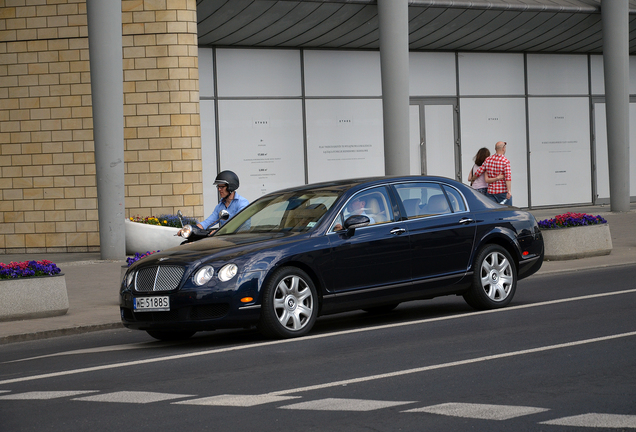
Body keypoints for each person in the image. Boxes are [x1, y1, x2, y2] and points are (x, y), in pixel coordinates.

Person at [178, 170, 249, 236]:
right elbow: (207, 222)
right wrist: (189, 229)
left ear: (230, 187)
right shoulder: (220, 206)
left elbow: (237, 224)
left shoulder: (242, 203)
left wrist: (219, 232)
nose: (219, 189)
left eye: (222, 187)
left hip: (241, 239)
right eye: (218, 187)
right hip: (226, 239)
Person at [471, 141, 512, 205]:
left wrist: (473, 179)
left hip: (491, 192)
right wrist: (509, 191)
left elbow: (478, 172)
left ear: (495, 149)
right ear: (503, 148)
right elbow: (508, 178)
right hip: (502, 192)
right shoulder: (505, 161)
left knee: (492, 212)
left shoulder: (488, 159)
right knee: (507, 212)